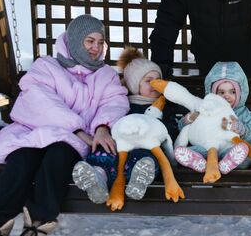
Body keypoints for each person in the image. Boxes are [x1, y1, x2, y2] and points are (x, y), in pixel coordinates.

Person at [0, 15, 129, 236]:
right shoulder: (46, 67)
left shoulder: (106, 75)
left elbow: (115, 101)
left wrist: (102, 127)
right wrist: (76, 127)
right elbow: (38, 100)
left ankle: (35, 234)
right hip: (33, 131)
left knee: (58, 158)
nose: (96, 47)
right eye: (89, 40)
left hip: (72, 142)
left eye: (100, 42)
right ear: (75, 41)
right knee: (21, 162)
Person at [72, 47, 178, 203]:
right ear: (135, 84)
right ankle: (97, 177)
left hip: (147, 148)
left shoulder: (164, 107)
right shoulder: (124, 104)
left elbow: (171, 131)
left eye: (158, 80)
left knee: (147, 158)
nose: (155, 84)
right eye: (149, 81)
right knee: (104, 151)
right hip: (120, 147)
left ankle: (139, 179)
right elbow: (111, 121)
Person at [174, 61, 251, 173]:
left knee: (244, 155)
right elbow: (183, 129)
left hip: (229, 149)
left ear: (241, 93)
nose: (227, 96)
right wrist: (187, 120)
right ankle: (198, 162)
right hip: (205, 148)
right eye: (221, 92)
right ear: (212, 93)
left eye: (233, 92)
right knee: (189, 152)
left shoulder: (243, 114)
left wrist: (243, 130)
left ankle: (227, 162)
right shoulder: (204, 107)